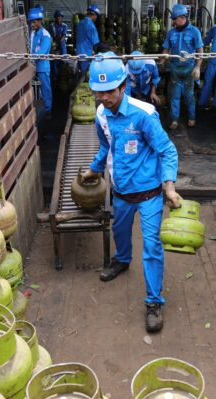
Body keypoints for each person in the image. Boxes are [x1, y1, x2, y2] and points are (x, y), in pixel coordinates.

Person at [81, 52, 182, 333]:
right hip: (122, 191)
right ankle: (122, 260)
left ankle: (154, 302)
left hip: (149, 194)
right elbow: (107, 146)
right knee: (120, 232)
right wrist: (93, 169)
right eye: (98, 92)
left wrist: (169, 186)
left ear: (123, 86)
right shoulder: (101, 115)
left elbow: (167, 150)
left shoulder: (144, 114)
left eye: (109, 91)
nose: (103, 98)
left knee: (151, 247)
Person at [162, 4, 203, 130]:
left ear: (183, 17)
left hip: (189, 69)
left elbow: (200, 50)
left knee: (189, 95)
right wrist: (162, 61)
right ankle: (174, 120)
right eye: (174, 19)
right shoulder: (171, 33)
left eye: (175, 19)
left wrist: (197, 67)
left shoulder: (194, 32)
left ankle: (191, 118)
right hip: (175, 69)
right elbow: (166, 49)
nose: (174, 22)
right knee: (174, 96)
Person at [29, 7, 52, 117]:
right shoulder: (32, 34)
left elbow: (42, 52)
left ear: (39, 21)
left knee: (45, 89)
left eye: (33, 22)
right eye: (31, 22)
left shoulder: (46, 35)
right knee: (33, 89)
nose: (31, 25)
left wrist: (30, 59)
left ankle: (48, 111)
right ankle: (35, 110)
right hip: (33, 66)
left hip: (42, 67)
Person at [76, 4, 101, 75]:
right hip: (87, 55)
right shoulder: (91, 26)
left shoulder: (80, 23)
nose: (96, 18)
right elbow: (96, 43)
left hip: (78, 54)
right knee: (86, 76)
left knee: (80, 75)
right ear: (93, 15)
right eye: (96, 16)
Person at [48, 10, 68, 82]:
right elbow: (51, 37)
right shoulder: (52, 26)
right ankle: (55, 79)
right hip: (55, 46)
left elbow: (63, 36)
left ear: (62, 18)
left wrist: (60, 39)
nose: (58, 18)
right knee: (54, 62)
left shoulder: (64, 26)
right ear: (55, 18)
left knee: (64, 61)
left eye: (60, 17)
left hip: (62, 47)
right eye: (57, 17)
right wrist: (54, 46)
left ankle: (63, 77)